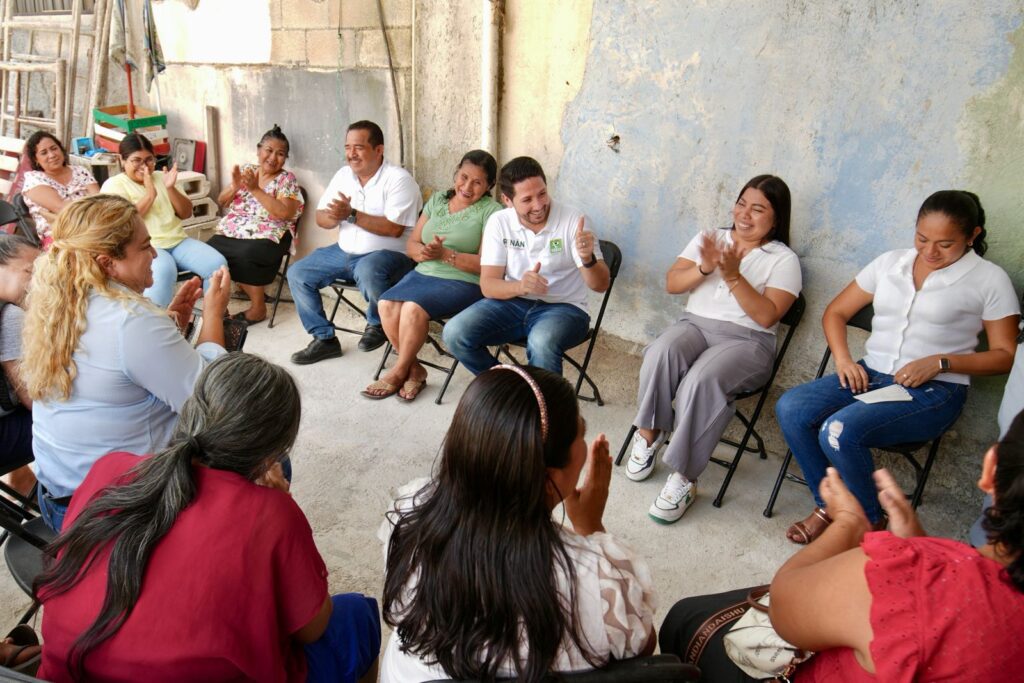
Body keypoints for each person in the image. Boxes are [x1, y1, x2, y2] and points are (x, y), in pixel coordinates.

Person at [35, 353, 381, 683]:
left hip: (67, 672)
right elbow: (312, 628)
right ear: (271, 454)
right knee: (359, 615)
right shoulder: (271, 512)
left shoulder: (109, 468)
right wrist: (281, 503)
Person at [659, 411, 1024, 681]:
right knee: (796, 406)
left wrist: (849, 524)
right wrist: (919, 547)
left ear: (990, 469)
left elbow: (788, 610)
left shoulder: (925, 579)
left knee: (685, 618)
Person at [380, 365, 656, 681]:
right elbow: (642, 649)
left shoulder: (408, 516)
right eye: (581, 431)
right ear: (551, 477)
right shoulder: (600, 575)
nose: (584, 440)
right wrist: (591, 527)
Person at [775, 190, 1019, 545]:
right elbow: (836, 312)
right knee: (792, 407)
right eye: (922, 239)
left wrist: (940, 362)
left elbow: (1005, 355)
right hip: (870, 373)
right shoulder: (891, 263)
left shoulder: (989, 279)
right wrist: (843, 359)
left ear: (973, 236)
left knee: (839, 430)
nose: (930, 252)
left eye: (945, 244)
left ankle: (870, 524)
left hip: (933, 391)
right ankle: (832, 506)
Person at [20, 194, 232, 532]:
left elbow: (117, 368)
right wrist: (213, 317)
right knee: (258, 453)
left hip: (59, 497)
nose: (155, 255)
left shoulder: (59, 304)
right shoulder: (132, 320)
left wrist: (170, 323)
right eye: (145, 246)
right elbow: (210, 399)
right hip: (110, 515)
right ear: (107, 263)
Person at [625, 175, 801, 524]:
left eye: (758, 209)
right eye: (741, 203)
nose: (745, 214)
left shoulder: (783, 259)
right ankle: (650, 433)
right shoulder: (712, 238)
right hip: (695, 325)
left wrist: (734, 276)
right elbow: (673, 283)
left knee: (701, 379)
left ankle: (684, 477)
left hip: (747, 341)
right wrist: (705, 267)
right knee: (661, 351)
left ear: (777, 218)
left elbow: (766, 316)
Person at [442, 157, 610, 377]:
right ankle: (510, 389)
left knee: (541, 342)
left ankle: (547, 409)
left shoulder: (574, 220)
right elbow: (488, 285)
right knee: (454, 333)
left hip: (565, 307)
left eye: (542, 194)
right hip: (513, 303)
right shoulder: (499, 222)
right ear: (507, 200)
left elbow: (600, 285)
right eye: (527, 199)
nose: (539, 205)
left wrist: (588, 259)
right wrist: (521, 286)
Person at [363, 150, 501, 401]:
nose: (467, 186)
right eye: (463, 176)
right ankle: (414, 369)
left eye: (477, 182)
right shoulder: (437, 199)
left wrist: (446, 254)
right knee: (386, 303)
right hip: (424, 273)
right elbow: (412, 244)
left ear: (490, 185)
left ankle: (398, 371)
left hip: (463, 280)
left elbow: (486, 265)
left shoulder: (491, 211)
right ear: (456, 173)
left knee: (412, 309)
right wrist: (424, 252)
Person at [287, 120, 421, 364]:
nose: (351, 154)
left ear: (378, 150)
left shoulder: (399, 180)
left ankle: (378, 323)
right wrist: (335, 216)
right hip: (344, 253)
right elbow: (320, 217)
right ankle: (324, 339)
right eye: (348, 147)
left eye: (358, 147)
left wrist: (351, 214)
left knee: (369, 269)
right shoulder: (343, 175)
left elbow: (394, 228)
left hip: (389, 256)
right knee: (298, 272)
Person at [100, 133, 228, 307]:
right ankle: (160, 326)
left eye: (149, 160)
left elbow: (185, 213)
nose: (144, 166)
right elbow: (123, 221)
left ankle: (213, 320)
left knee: (217, 265)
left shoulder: (163, 176)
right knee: (164, 271)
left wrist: (170, 188)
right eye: (136, 160)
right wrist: (150, 193)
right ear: (122, 161)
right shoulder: (113, 185)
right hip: (146, 247)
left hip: (178, 242)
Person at [207, 124, 304, 325]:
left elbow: (285, 213)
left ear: (285, 158)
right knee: (209, 253)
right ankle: (220, 306)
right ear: (259, 150)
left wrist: (255, 190)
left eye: (280, 154)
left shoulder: (287, 179)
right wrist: (235, 186)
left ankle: (258, 308)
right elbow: (222, 200)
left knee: (245, 255)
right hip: (235, 229)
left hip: (271, 234)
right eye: (269, 150)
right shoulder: (247, 171)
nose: (273, 158)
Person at [0, 234, 40, 497]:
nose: (38, 281)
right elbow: (33, 400)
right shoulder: (11, 316)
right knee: (86, 420)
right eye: (30, 270)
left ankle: (24, 481)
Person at [20, 131, 99, 249]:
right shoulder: (34, 179)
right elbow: (62, 209)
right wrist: (90, 206)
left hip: (94, 228)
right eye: (43, 153)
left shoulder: (80, 171)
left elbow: (100, 201)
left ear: (61, 150)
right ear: (36, 159)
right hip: (58, 238)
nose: (52, 155)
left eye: (54, 148)